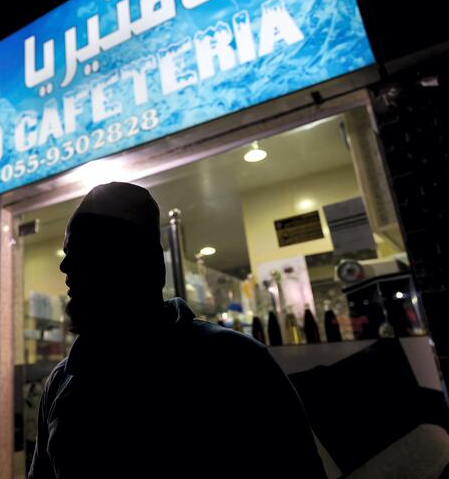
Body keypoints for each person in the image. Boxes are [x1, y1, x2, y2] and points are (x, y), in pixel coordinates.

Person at [28, 182, 326, 478]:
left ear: (141, 261)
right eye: (68, 251)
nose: (65, 267)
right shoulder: (60, 382)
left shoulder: (234, 362)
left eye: (86, 249)